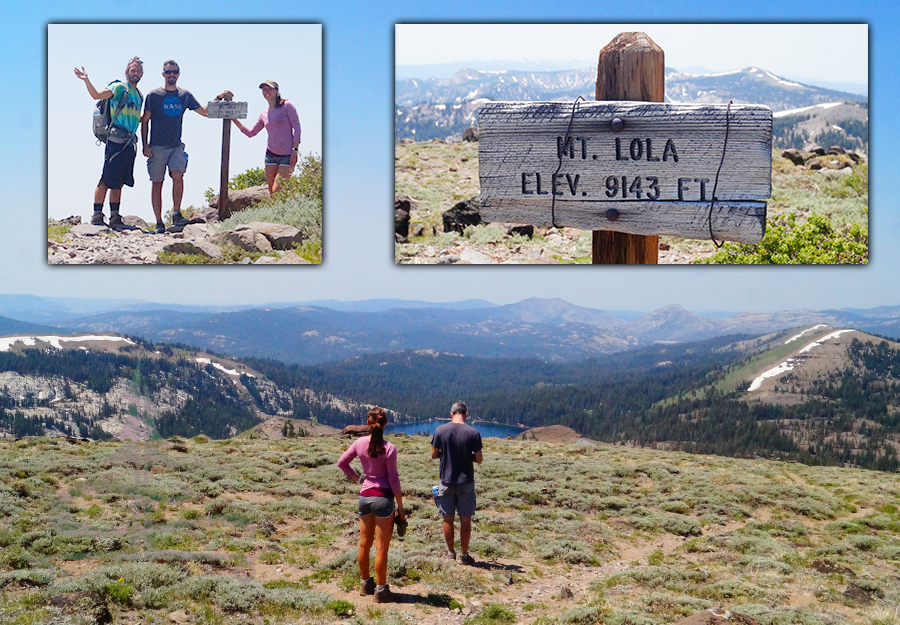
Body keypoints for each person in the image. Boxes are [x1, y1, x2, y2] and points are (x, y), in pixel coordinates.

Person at [338, 407, 406, 603]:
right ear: (385, 425)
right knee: (381, 548)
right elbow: (393, 479)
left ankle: (365, 584)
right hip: (383, 499)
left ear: (367, 424)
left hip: (364, 497)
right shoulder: (389, 448)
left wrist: (359, 479)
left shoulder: (359, 443)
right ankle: (381, 590)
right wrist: (400, 507)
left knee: (364, 544)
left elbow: (342, 463)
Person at [140, 60, 213, 234]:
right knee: (157, 183)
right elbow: (145, 121)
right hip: (157, 146)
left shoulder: (184, 95)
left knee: (178, 175)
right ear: (163, 74)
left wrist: (218, 99)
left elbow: (203, 111)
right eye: (168, 72)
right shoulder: (154, 95)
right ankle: (158, 222)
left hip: (176, 146)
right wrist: (145, 145)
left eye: (175, 72)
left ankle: (176, 213)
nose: (171, 74)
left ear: (178, 74)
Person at [74, 57, 144, 227]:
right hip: (115, 140)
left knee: (119, 181)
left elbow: (136, 117)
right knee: (106, 178)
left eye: (139, 71)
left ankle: (115, 216)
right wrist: (86, 80)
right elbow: (97, 95)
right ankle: (97, 214)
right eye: (133, 70)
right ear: (127, 72)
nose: (136, 73)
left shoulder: (139, 95)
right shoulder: (119, 87)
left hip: (129, 143)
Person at [431, 402, 483, 565]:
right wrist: (468, 457)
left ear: (451, 413)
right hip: (466, 482)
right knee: (465, 520)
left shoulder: (440, 430)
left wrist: (445, 453)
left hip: (446, 481)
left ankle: (450, 553)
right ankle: (464, 555)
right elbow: (479, 459)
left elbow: (434, 455)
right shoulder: (473, 433)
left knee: (448, 519)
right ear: (466, 414)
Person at [231, 79, 301, 196]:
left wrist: (295, 149)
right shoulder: (264, 113)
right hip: (271, 156)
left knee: (277, 191)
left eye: (269, 89)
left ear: (276, 90)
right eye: (264, 89)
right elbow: (251, 132)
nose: (266, 92)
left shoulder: (287, 106)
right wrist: (233, 119)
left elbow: (297, 127)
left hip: (287, 155)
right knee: (272, 194)